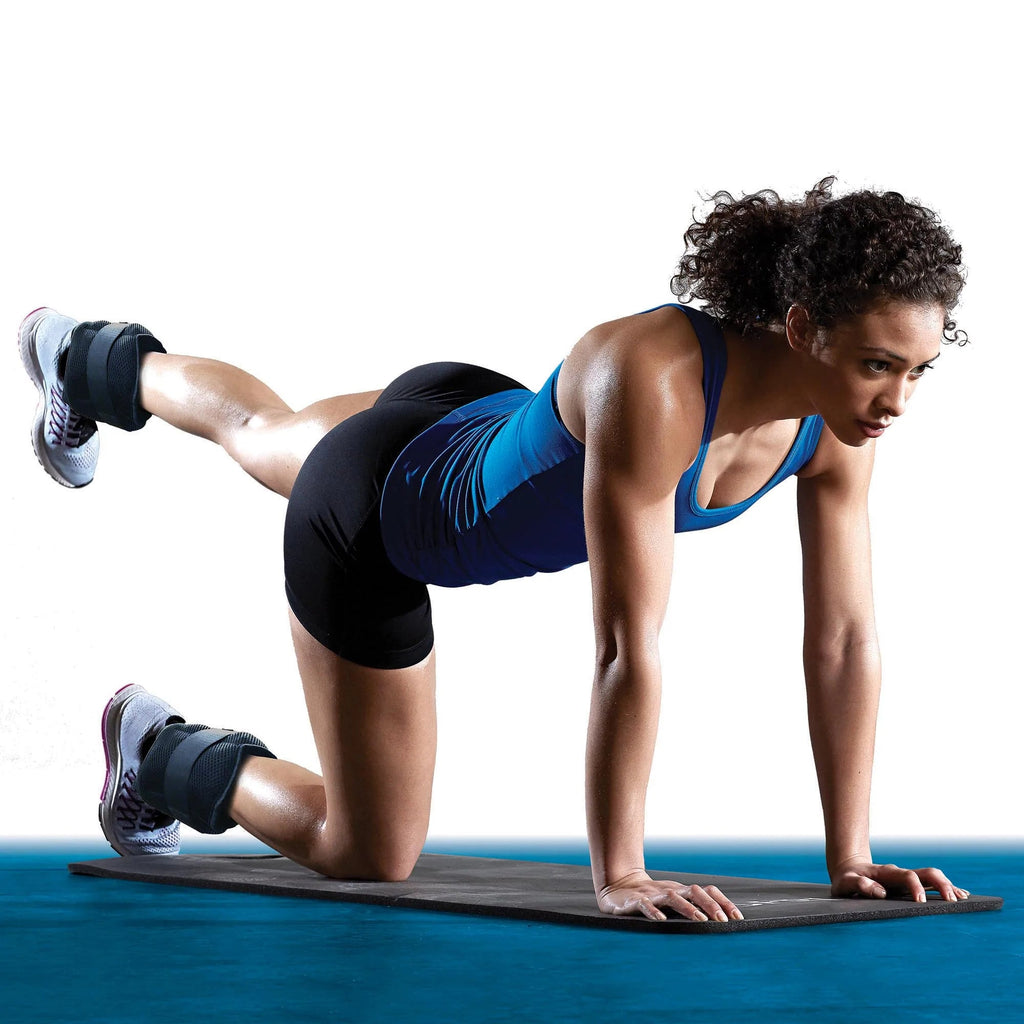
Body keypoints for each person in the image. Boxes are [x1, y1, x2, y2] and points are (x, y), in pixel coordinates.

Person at [20, 176, 972, 924]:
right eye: (877, 365)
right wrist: (622, 872)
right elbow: (626, 645)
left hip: (469, 423)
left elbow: (844, 642)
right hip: (376, 520)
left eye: (918, 370)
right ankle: (162, 755)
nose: (897, 400)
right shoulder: (659, 377)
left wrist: (851, 856)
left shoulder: (835, 426)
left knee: (260, 429)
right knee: (368, 851)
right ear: (803, 328)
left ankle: (89, 359)